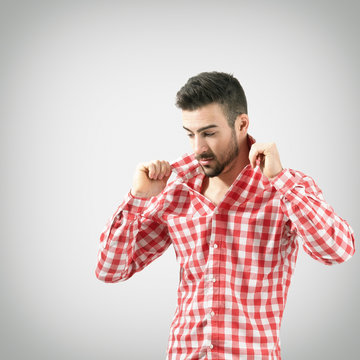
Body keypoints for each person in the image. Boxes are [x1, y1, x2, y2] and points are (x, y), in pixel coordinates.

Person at [95, 71, 355, 359]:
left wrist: (280, 179)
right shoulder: (176, 190)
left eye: (209, 133)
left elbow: (337, 251)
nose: (198, 148)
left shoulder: (284, 189)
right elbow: (110, 270)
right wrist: (138, 199)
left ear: (242, 124)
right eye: (190, 134)